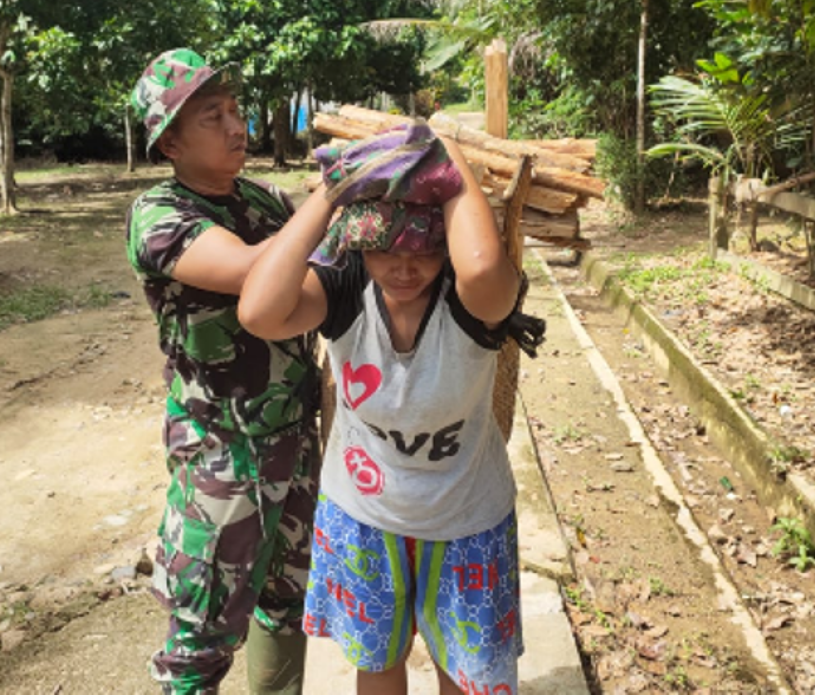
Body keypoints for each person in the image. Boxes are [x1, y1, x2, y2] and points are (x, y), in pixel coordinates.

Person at [238, 120, 543, 695]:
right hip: (363, 518)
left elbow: (480, 266)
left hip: (467, 523)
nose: (403, 268)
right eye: (383, 248)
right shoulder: (346, 287)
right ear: (356, 243)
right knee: (377, 663)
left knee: (468, 673)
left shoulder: (473, 301)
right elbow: (258, 311)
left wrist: (443, 150)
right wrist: (335, 189)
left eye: (424, 250)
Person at [125, 48, 320, 695]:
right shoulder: (160, 215)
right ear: (170, 142)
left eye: (236, 110)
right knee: (201, 633)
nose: (238, 127)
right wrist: (331, 201)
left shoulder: (268, 201)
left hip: (297, 439)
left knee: (288, 601)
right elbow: (251, 272)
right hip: (222, 455)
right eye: (214, 116)